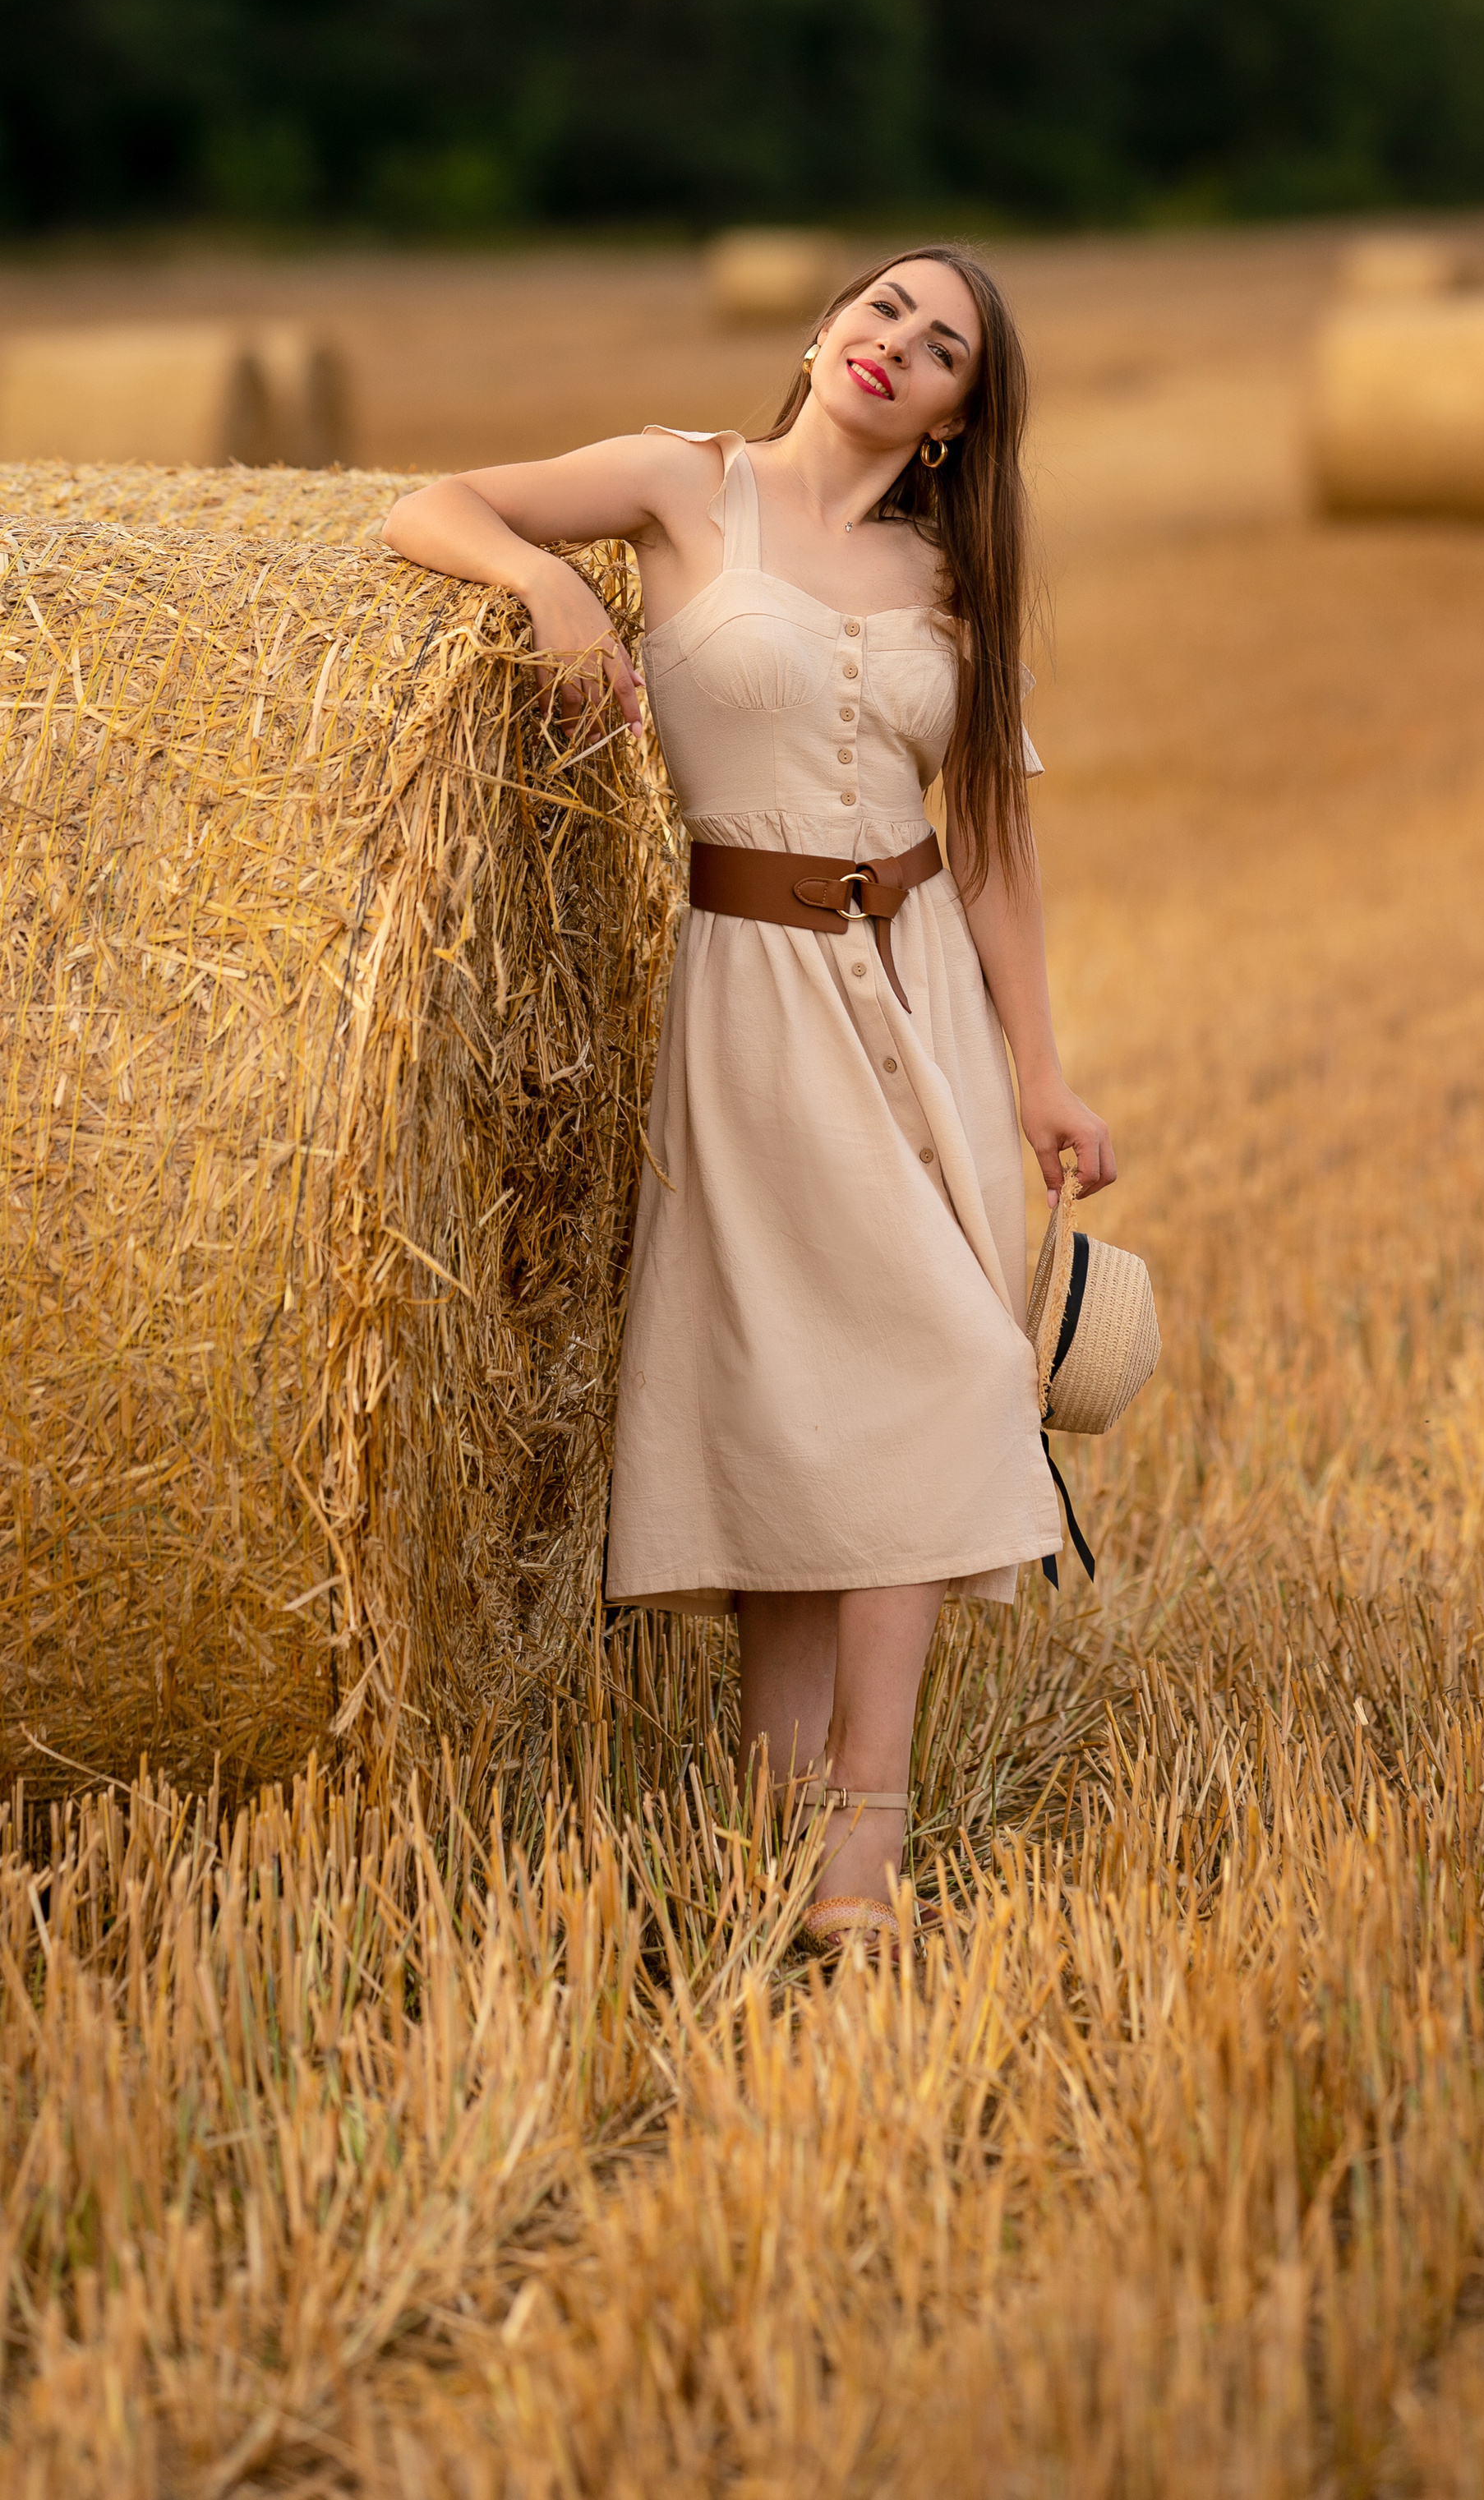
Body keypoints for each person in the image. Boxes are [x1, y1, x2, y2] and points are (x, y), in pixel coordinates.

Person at [383, 246, 1114, 1953]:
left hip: (913, 986)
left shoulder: (951, 580)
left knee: (943, 1365)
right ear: (817, 325)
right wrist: (559, 593)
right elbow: (430, 505)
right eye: (882, 312)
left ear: (952, 420)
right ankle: (792, 1832)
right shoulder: (677, 485)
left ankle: (851, 1840)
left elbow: (994, 843)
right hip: (750, 995)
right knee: (797, 1391)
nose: (895, 348)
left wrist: (1038, 1068)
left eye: (940, 350)